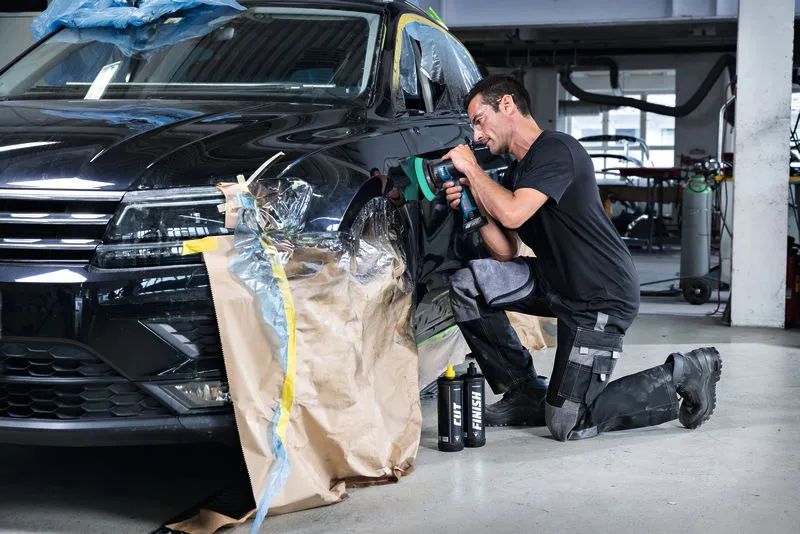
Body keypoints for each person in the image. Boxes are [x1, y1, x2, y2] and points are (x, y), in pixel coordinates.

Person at [442, 75, 722, 441]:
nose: (476, 136)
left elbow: (512, 214)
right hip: (555, 281)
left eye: (479, 120)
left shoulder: (557, 150)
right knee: (468, 285)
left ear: (507, 105)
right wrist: (470, 208)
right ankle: (525, 391)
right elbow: (506, 250)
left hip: (599, 297)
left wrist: (473, 172)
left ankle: (684, 374)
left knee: (566, 423)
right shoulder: (515, 173)